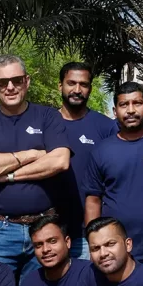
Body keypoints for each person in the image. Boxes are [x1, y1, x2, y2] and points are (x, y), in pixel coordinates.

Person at [0, 54, 71, 279]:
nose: (11, 87)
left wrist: (9, 175)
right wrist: (33, 154)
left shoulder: (48, 116)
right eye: (3, 83)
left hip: (45, 227)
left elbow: (60, 160)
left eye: (17, 80)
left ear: (27, 81)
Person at [84, 81, 143, 267]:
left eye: (136, 103)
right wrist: (94, 244)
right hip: (112, 252)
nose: (130, 110)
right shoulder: (101, 150)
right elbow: (93, 200)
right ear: (114, 111)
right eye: (123, 105)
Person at [56, 62, 118, 258]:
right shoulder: (46, 122)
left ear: (90, 88)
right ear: (60, 86)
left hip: (88, 233)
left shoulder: (106, 127)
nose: (77, 90)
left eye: (83, 84)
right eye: (71, 83)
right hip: (48, 230)